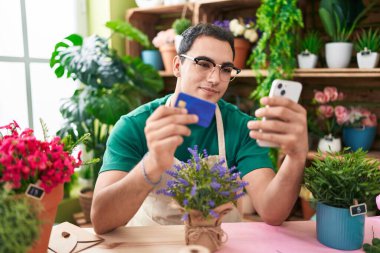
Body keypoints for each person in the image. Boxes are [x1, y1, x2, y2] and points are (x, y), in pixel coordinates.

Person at [91, 23, 308, 234]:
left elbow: (272, 212)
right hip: (151, 245)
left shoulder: (242, 127)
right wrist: (152, 164)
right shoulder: (133, 126)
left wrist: (296, 156)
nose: (215, 79)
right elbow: (101, 220)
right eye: (203, 63)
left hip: (220, 243)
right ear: (177, 66)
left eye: (226, 69)